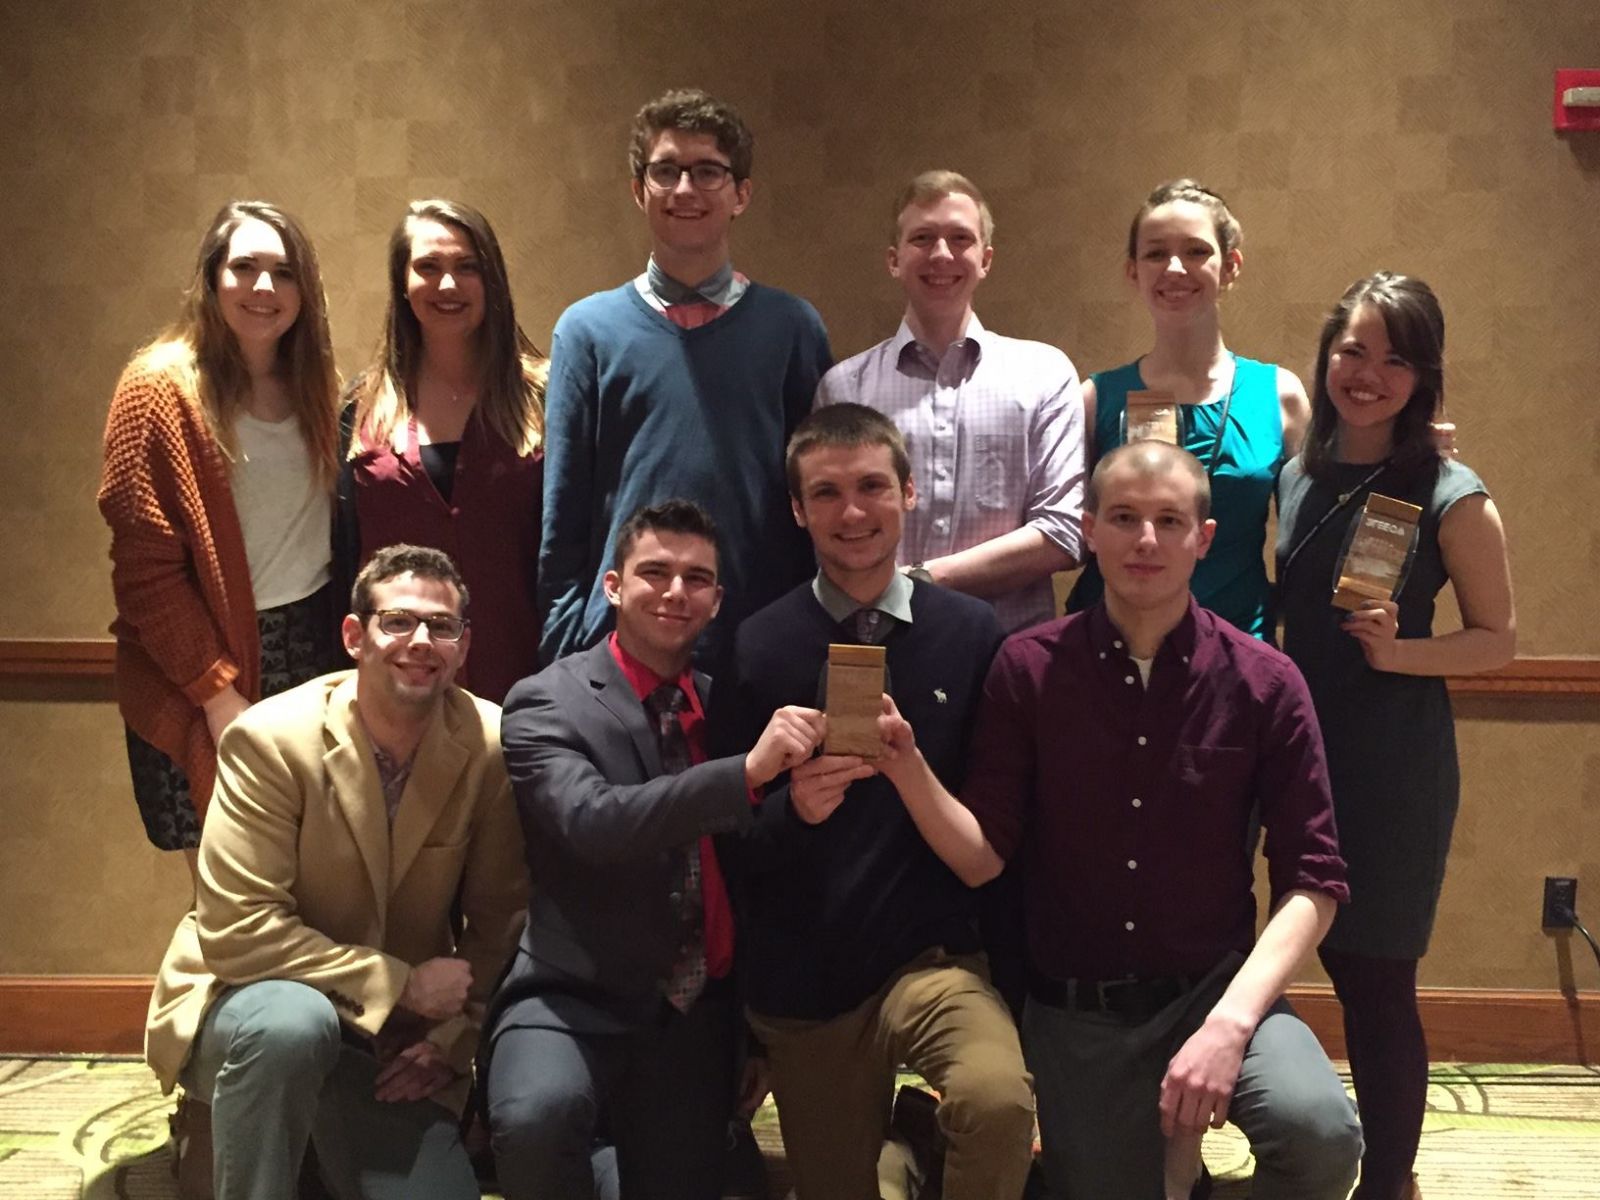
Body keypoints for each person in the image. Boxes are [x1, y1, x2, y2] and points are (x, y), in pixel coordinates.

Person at [878, 441, 1363, 1200]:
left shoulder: (1266, 682)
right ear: (1089, 531)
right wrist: (905, 762)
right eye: (1125, 517)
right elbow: (981, 859)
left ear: (1203, 539)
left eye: (1170, 520)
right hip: (1079, 1012)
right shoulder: (1026, 669)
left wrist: (1231, 1026)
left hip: (1216, 991)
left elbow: (1315, 881)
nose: (1146, 539)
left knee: (1320, 1134)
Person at [712, 404, 1036, 1200]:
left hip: (931, 963)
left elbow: (997, 837)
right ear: (796, 510)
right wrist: (796, 810)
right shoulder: (757, 644)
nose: (851, 513)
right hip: (807, 979)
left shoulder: (972, 635)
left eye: (870, 487)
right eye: (825, 493)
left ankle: (919, 1143)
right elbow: (726, 839)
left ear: (909, 494)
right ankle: (901, 1155)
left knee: (997, 1102)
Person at [144, 544, 528, 1199]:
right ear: (355, 635)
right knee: (293, 1027)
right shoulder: (269, 740)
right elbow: (240, 932)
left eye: (442, 627)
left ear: (464, 647)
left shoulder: (490, 742)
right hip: (253, 1002)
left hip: (388, 1040)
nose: (421, 641)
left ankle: (321, 1140)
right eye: (398, 622)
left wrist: (447, 1038)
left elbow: (501, 920)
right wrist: (400, 985)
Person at [486, 500, 823, 1200]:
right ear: (613, 586)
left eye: (697, 578)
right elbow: (595, 824)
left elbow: (745, 859)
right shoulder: (546, 701)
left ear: (718, 599)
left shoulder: (723, 703)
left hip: (694, 1016)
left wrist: (798, 807)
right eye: (656, 572)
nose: (676, 591)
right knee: (536, 1118)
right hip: (573, 994)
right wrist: (749, 774)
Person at [1276, 273, 1515, 1200]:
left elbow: (1500, 641)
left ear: (1425, 376)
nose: (1368, 375)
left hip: (1393, 765)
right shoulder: (1301, 473)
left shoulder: (1452, 492)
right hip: (1296, 752)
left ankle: (1390, 1185)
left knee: (1375, 983)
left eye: (1394, 358)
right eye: (1353, 351)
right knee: (1283, 960)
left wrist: (1400, 654)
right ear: (1327, 356)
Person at [539, 87, 832, 670]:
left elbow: (814, 493)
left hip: (759, 639)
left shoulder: (792, 327)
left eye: (707, 172)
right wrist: (567, 637)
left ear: (741, 193)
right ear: (637, 189)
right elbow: (563, 507)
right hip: (618, 647)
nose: (684, 189)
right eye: (665, 171)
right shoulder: (587, 330)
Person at [98, 199, 341, 873]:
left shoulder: (314, 387)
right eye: (245, 268)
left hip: (309, 653)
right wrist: (216, 694)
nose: (264, 289)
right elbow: (144, 574)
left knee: (309, 884)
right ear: (211, 279)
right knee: (226, 899)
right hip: (200, 664)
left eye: (284, 272)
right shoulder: (158, 390)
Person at [816, 170, 1085, 633]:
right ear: (894, 259)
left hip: (1009, 659)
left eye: (960, 238)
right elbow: (828, 529)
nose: (941, 254)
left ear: (986, 259)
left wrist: (918, 584)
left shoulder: (1044, 375)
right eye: (923, 238)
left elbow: (1063, 533)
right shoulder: (845, 388)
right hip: (881, 653)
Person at [1066, 180, 1309, 638]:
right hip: (1109, 653)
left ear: (1231, 266)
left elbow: (1310, 543)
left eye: (1196, 251)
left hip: (1238, 655)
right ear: (1132, 271)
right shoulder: (1095, 398)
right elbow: (1073, 539)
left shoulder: (1281, 396)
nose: (1175, 268)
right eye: (1155, 253)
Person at [337, 198, 547, 703]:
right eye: (428, 267)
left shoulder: (546, 396)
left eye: (466, 267)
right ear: (402, 283)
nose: (447, 285)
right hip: (397, 685)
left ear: (491, 280)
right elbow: (344, 552)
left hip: (523, 676)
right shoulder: (361, 406)